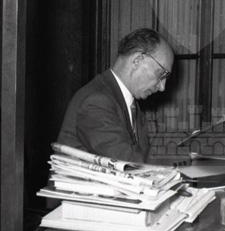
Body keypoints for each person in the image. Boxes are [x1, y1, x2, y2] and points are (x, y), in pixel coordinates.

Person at [57, 28, 174, 163]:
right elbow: (128, 163)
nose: (162, 87)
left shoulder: (128, 103)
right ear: (137, 60)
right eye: (161, 74)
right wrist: (185, 164)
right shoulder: (96, 101)